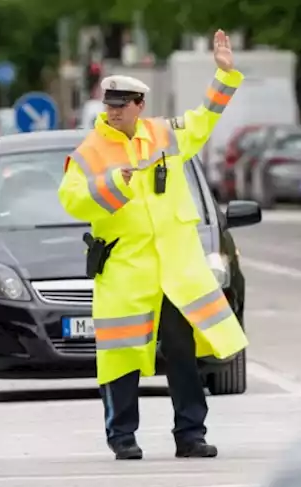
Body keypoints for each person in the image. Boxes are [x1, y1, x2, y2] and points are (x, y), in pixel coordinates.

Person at [58, 29, 247, 460]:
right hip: (126, 272)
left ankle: (191, 435)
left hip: (175, 272)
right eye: (110, 106)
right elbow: (70, 197)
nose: (114, 113)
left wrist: (225, 76)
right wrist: (111, 184)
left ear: (139, 106)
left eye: (122, 107)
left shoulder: (164, 135)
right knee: (120, 357)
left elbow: (204, 118)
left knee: (184, 355)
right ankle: (122, 438)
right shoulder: (91, 150)